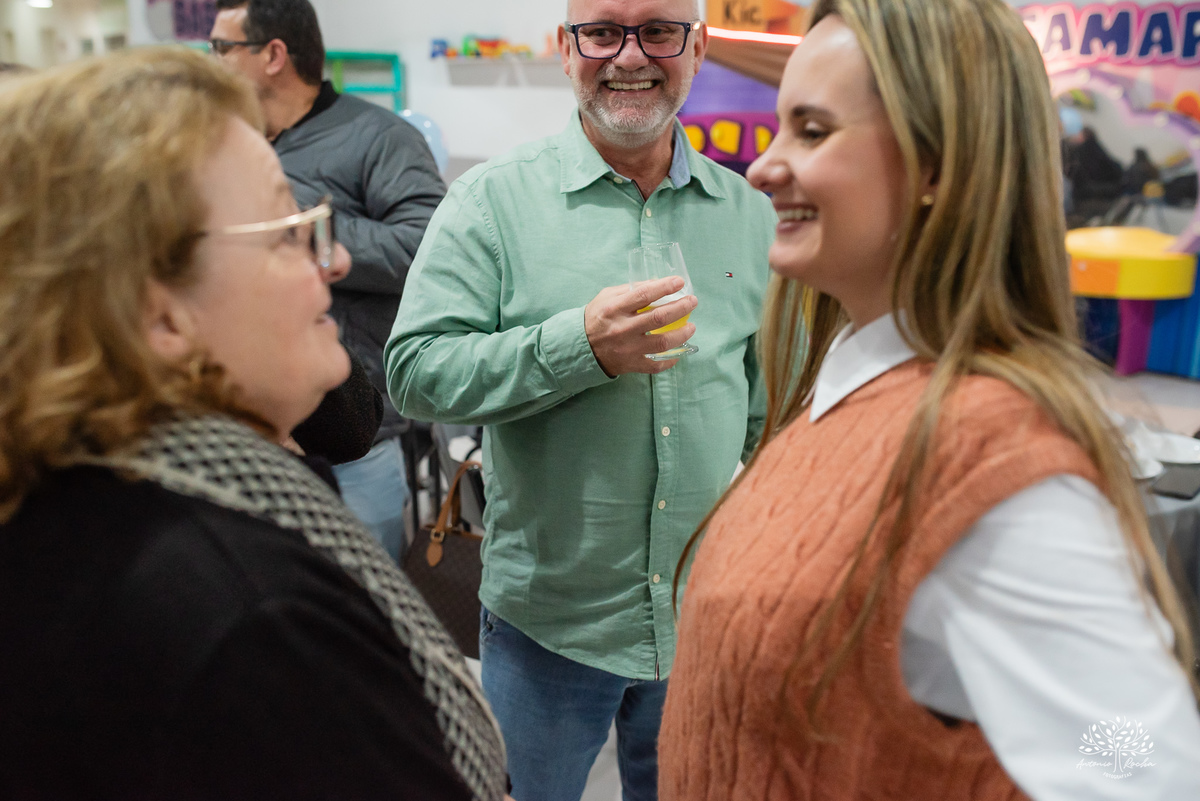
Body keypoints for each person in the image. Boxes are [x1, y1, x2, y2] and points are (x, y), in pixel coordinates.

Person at [659, 1, 1200, 799]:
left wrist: (1103, 747)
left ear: (938, 164)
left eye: (812, 131)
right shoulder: (847, 382)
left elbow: (1143, 761)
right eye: (778, 128)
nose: (766, 167)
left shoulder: (990, 455)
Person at [0, 48, 505, 800]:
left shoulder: (74, 496)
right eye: (286, 230)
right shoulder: (251, 616)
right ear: (158, 310)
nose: (329, 262)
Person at [386, 0, 776, 797]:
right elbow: (414, 370)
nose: (629, 56)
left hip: (704, 620)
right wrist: (578, 349)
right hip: (549, 626)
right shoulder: (490, 203)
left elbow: (770, 419)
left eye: (659, 31)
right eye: (602, 32)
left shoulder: (753, 218)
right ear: (566, 49)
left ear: (698, 48)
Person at [211, 0, 447, 562]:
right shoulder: (231, 143)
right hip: (249, 426)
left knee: (367, 602)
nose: (211, 62)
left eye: (222, 48)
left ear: (272, 55)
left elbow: (433, 246)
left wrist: (329, 242)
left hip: (353, 427)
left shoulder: (379, 138)